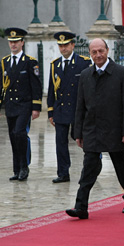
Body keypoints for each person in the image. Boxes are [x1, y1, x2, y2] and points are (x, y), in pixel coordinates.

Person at [65, 38, 124, 219]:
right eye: (94, 52)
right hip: (92, 129)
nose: (98, 55)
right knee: (88, 168)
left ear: (107, 50)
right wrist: (78, 132)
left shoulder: (122, 73)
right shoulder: (85, 75)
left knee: (121, 166)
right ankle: (81, 206)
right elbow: (80, 106)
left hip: (116, 129)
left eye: (101, 51)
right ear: (90, 54)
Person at [0, 27, 42, 181]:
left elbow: (36, 85)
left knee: (20, 133)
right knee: (13, 136)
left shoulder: (29, 62)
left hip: (24, 104)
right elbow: (1, 85)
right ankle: (16, 169)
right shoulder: (5, 62)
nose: (13, 44)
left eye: (16, 42)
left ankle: (24, 166)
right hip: (10, 105)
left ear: (22, 42)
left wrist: (36, 107)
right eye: (11, 42)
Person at [47, 31, 92, 183]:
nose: (63, 48)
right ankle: (63, 172)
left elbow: (89, 88)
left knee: (84, 140)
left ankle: (91, 169)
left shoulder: (83, 62)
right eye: (60, 45)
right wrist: (50, 111)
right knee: (60, 142)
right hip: (61, 109)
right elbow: (51, 89)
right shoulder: (55, 65)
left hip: (78, 109)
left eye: (66, 45)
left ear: (73, 45)